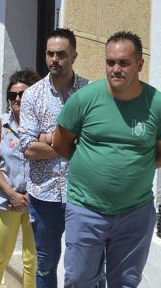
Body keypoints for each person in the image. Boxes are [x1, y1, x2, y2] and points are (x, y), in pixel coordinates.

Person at [53, 31, 160, 287]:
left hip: (135, 214)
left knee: (125, 283)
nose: (116, 69)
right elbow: (60, 142)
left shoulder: (155, 103)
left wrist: (133, 168)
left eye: (124, 63)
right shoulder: (84, 99)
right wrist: (92, 167)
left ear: (140, 64)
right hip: (85, 209)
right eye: (110, 62)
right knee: (78, 280)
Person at [18, 28, 88, 288]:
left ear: (74, 56)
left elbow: (92, 142)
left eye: (61, 54)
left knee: (82, 264)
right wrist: (69, 142)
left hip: (82, 194)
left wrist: (47, 138)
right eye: (50, 54)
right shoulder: (32, 95)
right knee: (46, 266)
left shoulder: (89, 93)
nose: (54, 59)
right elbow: (27, 149)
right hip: (43, 194)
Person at [0, 70, 41, 288]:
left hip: (36, 201)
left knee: (31, 260)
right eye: (13, 94)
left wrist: (28, 195)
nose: (17, 99)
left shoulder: (42, 127)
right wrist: (11, 193)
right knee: (0, 258)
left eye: (22, 94)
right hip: (6, 201)